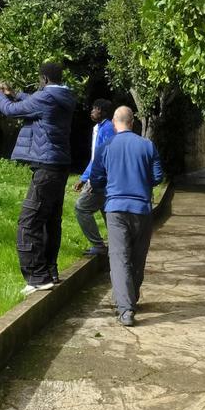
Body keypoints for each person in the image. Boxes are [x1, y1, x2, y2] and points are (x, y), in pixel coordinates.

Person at [0, 62, 76, 296]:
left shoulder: (46, 98)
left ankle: (37, 277)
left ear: (44, 79)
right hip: (59, 165)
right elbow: (33, 100)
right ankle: (50, 270)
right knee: (50, 220)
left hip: (46, 167)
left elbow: (10, 110)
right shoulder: (63, 96)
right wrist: (16, 93)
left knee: (28, 221)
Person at [90, 105, 163, 327]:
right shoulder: (147, 145)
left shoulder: (106, 147)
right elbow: (158, 176)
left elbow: (96, 179)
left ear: (114, 122)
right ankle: (132, 297)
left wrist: (108, 185)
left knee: (119, 258)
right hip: (142, 209)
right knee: (137, 258)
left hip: (115, 209)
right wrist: (140, 183)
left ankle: (126, 309)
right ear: (133, 122)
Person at [73, 98, 115, 256]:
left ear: (103, 112)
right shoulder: (98, 128)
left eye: (95, 109)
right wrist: (84, 177)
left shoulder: (108, 128)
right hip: (99, 178)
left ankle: (98, 245)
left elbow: (102, 157)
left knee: (81, 208)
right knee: (106, 211)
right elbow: (94, 157)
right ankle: (116, 245)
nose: (92, 111)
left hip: (101, 180)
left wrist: (89, 179)